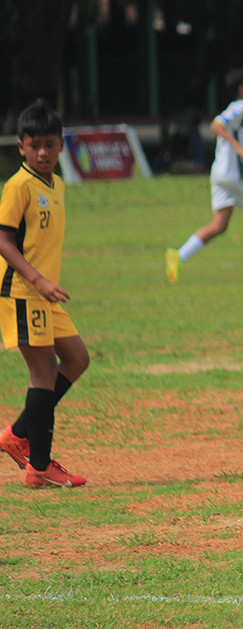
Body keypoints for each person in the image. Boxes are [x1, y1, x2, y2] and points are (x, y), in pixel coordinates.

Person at [0, 99, 89, 488]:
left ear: (60, 146)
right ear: (20, 146)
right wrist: (38, 280)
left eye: (50, 144)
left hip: (44, 295)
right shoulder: (19, 185)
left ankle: (17, 433)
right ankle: (38, 467)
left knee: (76, 359)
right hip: (22, 291)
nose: (42, 152)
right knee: (42, 373)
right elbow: (3, 241)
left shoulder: (57, 185)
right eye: (34, 144)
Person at [165, 67, 243, 287]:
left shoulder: (241, 110)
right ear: (242, 88)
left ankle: (178, 256)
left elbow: (233, 127)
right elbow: (217, 125)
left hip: (219, 173)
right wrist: (240, 147)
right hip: (237, 174)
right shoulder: (242, 106)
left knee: (220, 224)